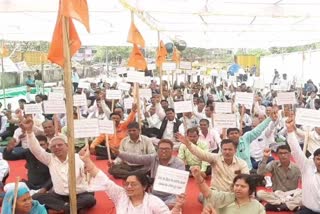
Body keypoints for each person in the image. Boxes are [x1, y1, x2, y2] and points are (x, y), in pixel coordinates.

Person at [78, 144, 185, 213]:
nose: (128, 187)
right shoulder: (120, 195)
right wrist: (87, 160)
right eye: (126, 184)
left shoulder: (153, 202)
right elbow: (104, 180)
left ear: (144, 186)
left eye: (133, 184)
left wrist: (178, 206)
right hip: (152, 187)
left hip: (168, 194)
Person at [22, 119, 96, 213]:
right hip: (59, 197)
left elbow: (90, 173)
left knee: (90, 199)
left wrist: (87, 168)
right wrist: (29, 132)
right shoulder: (49, 159)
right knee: (37, 197)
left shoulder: (78, 158)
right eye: (53, 146)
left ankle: (63, 209)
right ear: (51, 149)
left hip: (79, 195)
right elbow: (36, 149)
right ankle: (71, 209)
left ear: (67, 146)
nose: (57, 147)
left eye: (60, 145)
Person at [114, 139, 185, 208]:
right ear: (157, 150)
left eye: (167, 149)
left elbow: (180, 185)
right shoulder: (153, 158)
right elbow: (136, 158)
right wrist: (119, 153)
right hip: (154, 193)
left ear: (172, 150)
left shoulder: (179, 163)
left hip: (171, 195)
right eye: (161, 149)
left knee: (172, 204)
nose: (163, 151)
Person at [176, 134, 249, 192]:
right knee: (202, 197)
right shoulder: (215, 158)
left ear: (235, 150)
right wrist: (188, 144)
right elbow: (201, 153)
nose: (227, 152)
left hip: (234, 192)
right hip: (216, 192)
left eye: (230, 149)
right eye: (225, 149)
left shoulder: (242, 163)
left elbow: (246, 180)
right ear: (221, 150)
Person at [191, 166, 265, 214]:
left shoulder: (258, 207)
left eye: (243, 186)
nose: (238, 188)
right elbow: (207, 193)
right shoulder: (226, 197)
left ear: (251, 189)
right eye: (236, 185)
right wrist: (198, 177)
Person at [286, 112, 320, 213]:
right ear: (314, 160)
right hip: (308, 211)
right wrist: (290, 130)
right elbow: (296, 150)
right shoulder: (307, 168)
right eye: (318, 159)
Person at [257, 146, 302, 211]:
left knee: (303, 194)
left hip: (291, 195)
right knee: (259, 193)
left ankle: (278, 206)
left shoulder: (297, 167)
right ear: (277, 154)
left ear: (290, 154)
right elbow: (260, 173)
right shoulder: (273, 164)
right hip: (277, 194)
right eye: (280, 153)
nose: (283, 155)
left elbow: (305, 181)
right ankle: (287, 205)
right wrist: (265, 157)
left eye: (285, 153)